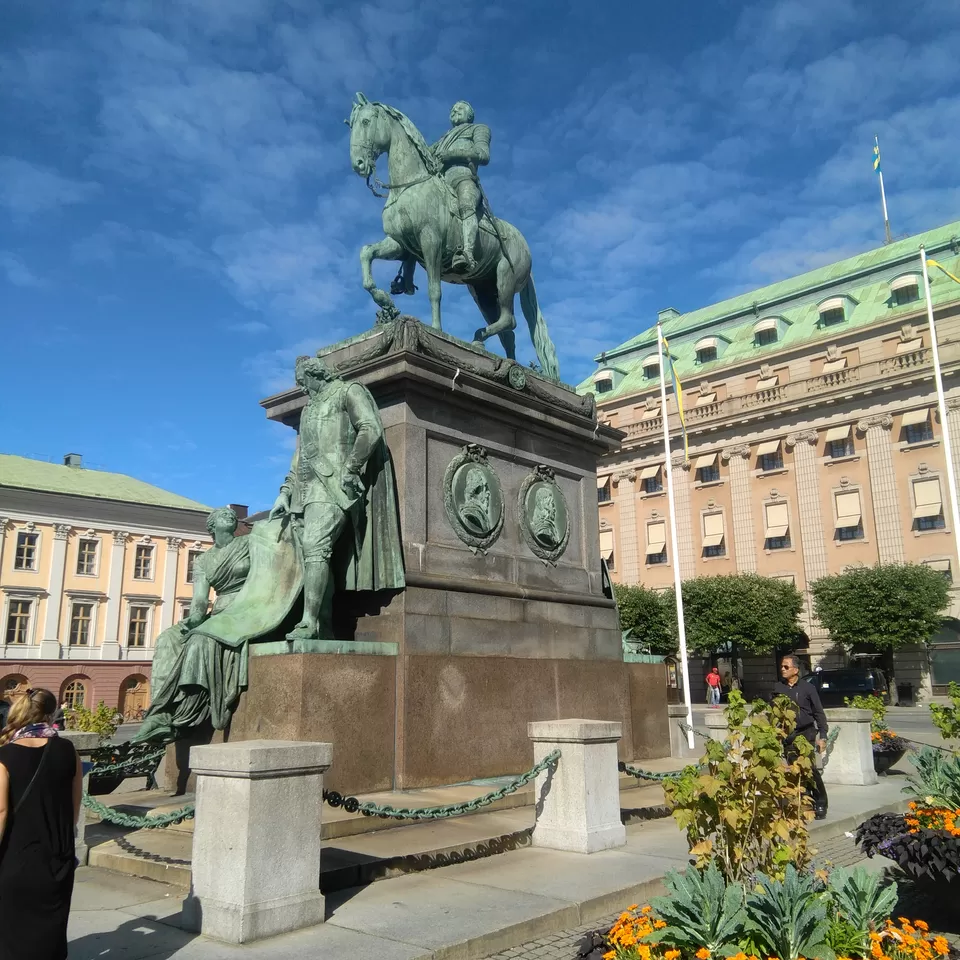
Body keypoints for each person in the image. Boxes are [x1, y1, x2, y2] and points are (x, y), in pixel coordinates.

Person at [270, 355, 405, 642]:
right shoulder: (308, 410)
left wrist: (351, 468)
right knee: (311, 559)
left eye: (302, 382)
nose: (302, 389)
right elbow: (300, 457)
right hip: (304, 494)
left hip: (333, 489)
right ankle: (324, 625)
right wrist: (285, 492)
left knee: (315, 548)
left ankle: (308, 622)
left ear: (314, 375)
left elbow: (371, 429)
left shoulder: (348, 391)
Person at [0, 687, 82, 960]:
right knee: (52, 929)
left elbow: (1, 811)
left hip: (17, 856)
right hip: (58, 856)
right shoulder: (68, 749)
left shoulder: (5, 755)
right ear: (51, 713)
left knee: (13, 930)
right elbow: (74, 806)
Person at [774, 654, 829, 820]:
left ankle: (820, 801)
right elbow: (773, 713)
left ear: (796, 670)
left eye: (786, 667)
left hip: (806, 733)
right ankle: (804, 804)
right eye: (782, 666)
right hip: (788, 736)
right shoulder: (778, 688)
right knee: (795, 771)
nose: (782, 669)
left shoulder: (807, 688)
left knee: (809, 769)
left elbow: (819, 713)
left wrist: (823, 735)